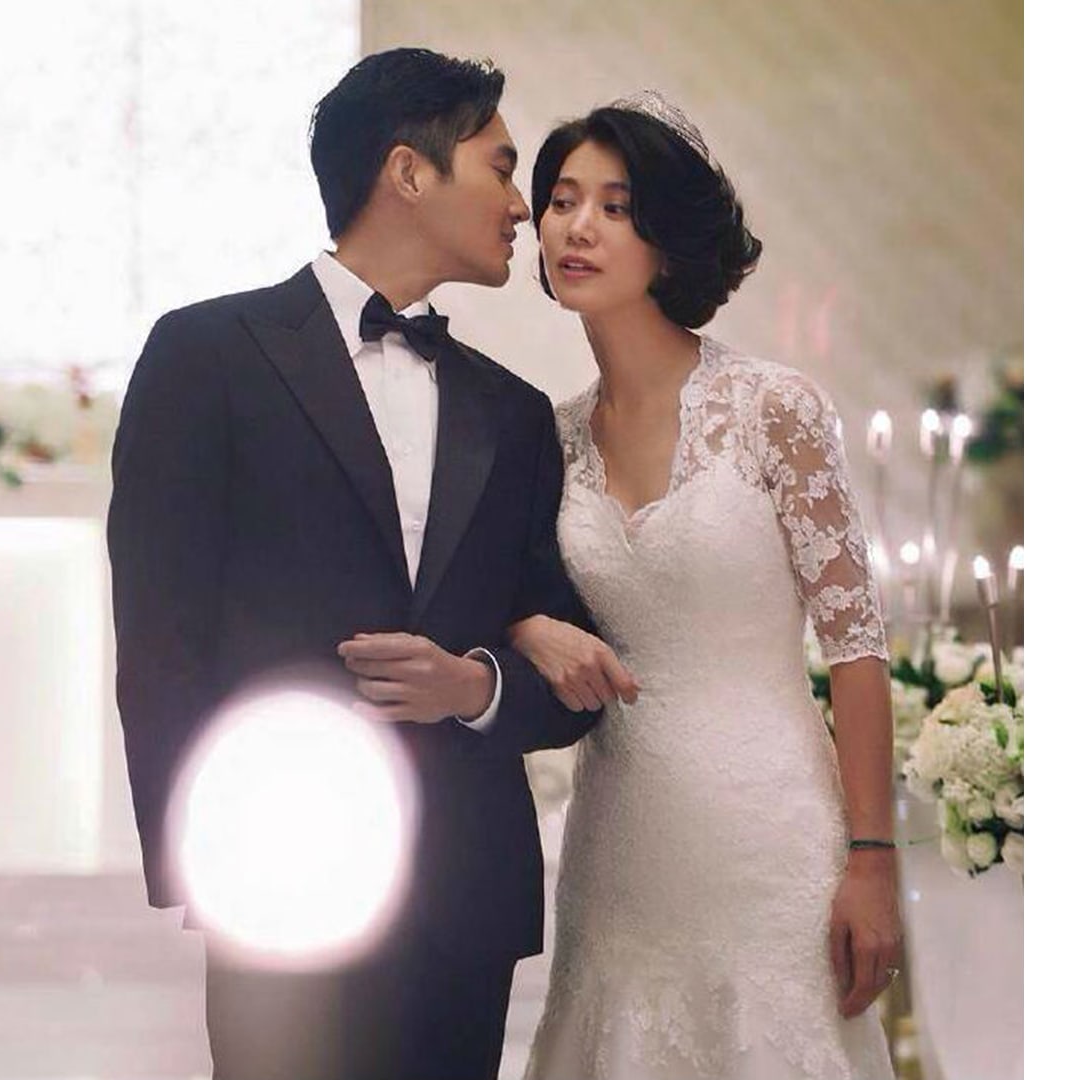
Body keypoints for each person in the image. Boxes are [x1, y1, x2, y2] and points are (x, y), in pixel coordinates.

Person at [105, 47, 604, 1080]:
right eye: (501, 167)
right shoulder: (207, 356)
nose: (521, 206)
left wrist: (476, 688)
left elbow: (567, 660)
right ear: (409, 171)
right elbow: (159, 635)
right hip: (277, 883)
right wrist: (205, 861)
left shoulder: (514, 414)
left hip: (461, 897)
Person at [509, 95, 902, 1079]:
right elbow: (516, 603)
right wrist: (522, 630)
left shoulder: (775, 410)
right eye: (562, 200)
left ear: (668, 238)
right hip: (621, 848)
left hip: (772, 836)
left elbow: (856, 650)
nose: (579, 227)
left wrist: (871, 859)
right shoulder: (549, 440)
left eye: (616, 206)